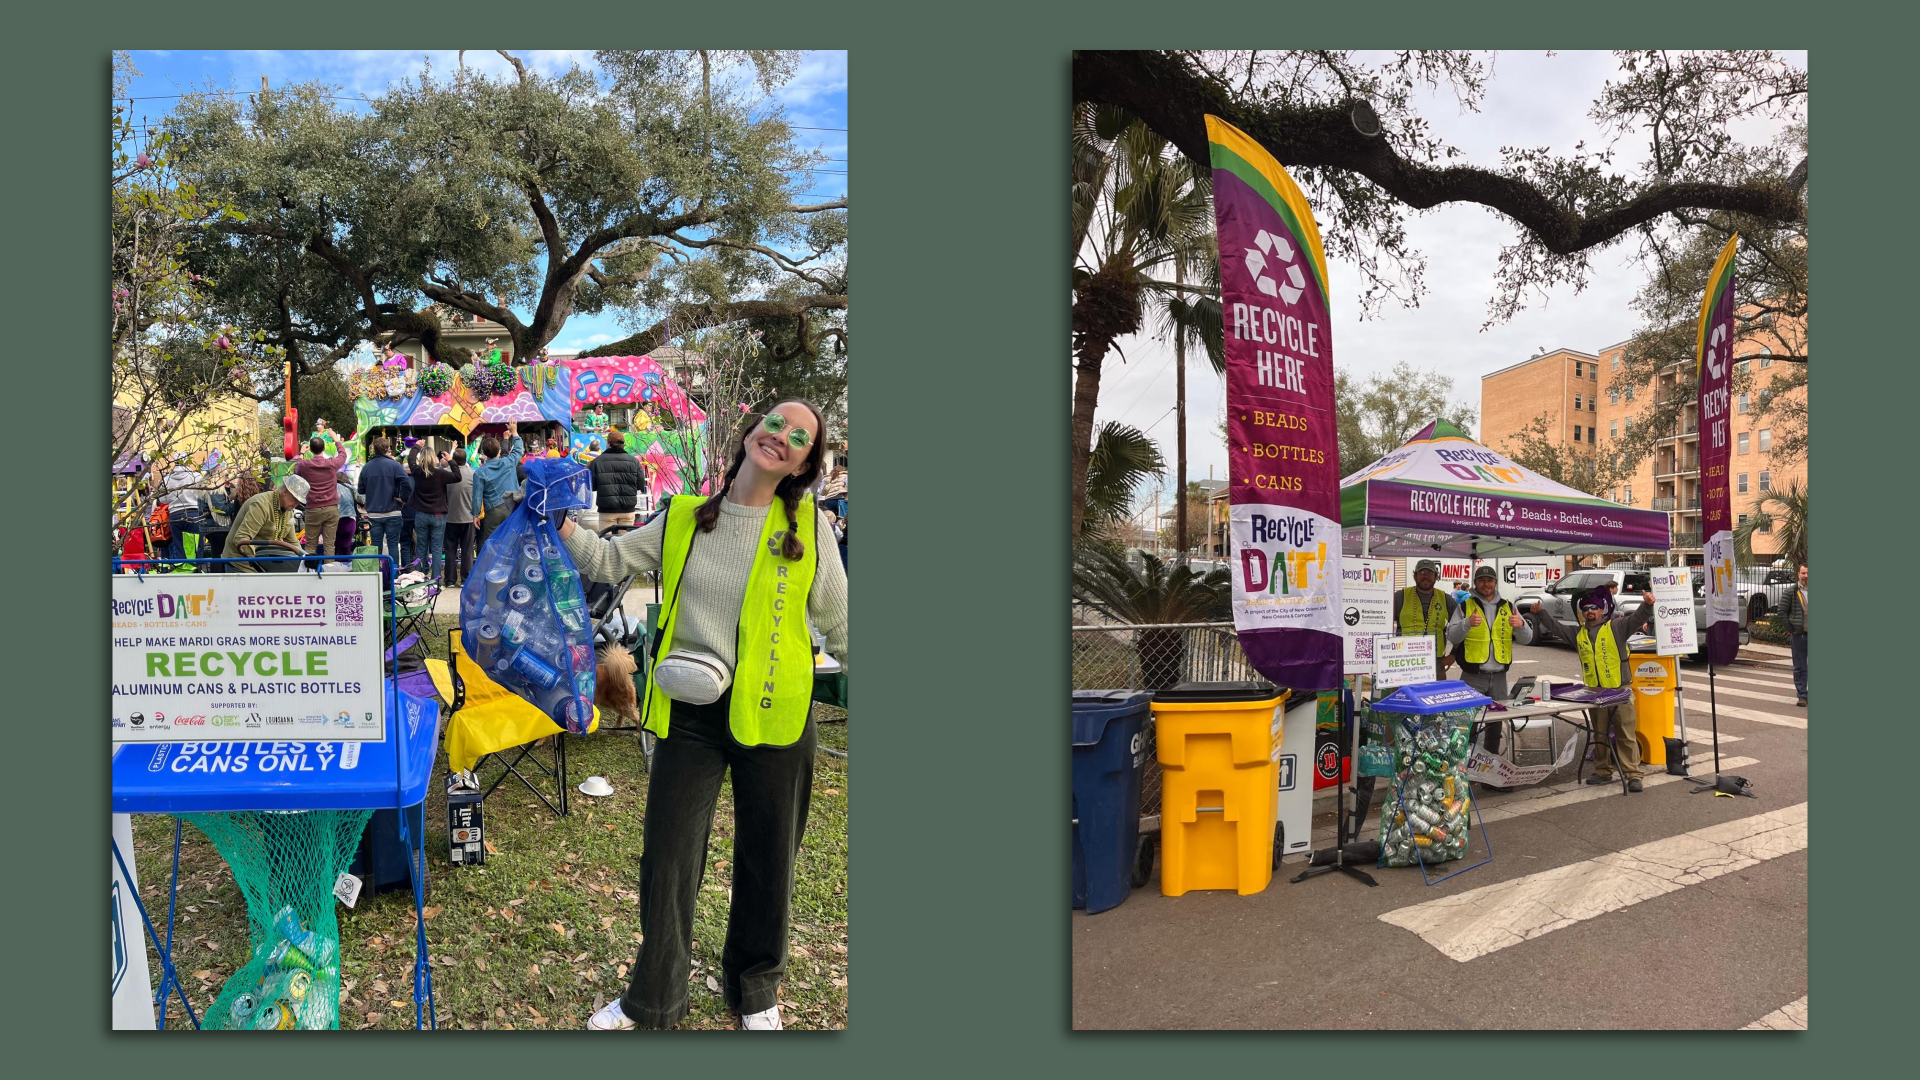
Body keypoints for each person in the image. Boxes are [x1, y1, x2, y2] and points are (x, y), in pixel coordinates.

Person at [578, 400, 848, 1032]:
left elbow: (841, 623)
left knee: (768, 857)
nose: (782, 437)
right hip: (689, 715)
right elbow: (607, 561)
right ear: (750, 432)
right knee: (667, 861)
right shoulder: (680, 518)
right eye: (775, 424)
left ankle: (756, 991)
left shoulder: (810, 528)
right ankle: (653, 998)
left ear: (807, 463)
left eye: (799, 437)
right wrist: (555, 523)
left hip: (777, 714)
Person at [1573, 585, 1658, 792]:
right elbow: (1557, 629)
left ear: (1601, 609)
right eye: (1585, 608)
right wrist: (1539, 615)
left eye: (1593, 607)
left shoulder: (1616, 627)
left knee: (1625, 733)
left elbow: (1635, 620)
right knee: (1599, 733)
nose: (1589, 611)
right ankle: (1603, 771)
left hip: (1620, 689)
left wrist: (1646, 605)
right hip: (1595, 691)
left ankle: (1633, 775)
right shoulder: (1579, 633)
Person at [1447, 565, 1533, 751]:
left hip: (1499, 677)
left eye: (1489, 580)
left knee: (1495, 726)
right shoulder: (1465, 606)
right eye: (1481, 580)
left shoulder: (1508, 606)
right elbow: (1452, 637)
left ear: (1495, 582)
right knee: (1467, 725)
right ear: (1475, 583)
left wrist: (1521, 626)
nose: (1486, 584)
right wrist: (1467, 623)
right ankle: (1466, 768)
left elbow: (1527, 639)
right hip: (1472, 677)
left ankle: (1490, 768)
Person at [222, 474, 309, 573]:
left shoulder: (288, 510)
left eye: (299, 501)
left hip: (263, 565)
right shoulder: (261, 505)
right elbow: (241, 538)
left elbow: (293, 542)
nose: (297, 504)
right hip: (240, 564)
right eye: (295, 499)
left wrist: (306, 559)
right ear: (285, 492)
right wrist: (259, 564)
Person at [357, 437, 414, 572]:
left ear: (373, 450)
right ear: (388, 449)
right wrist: (403, 499)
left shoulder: (367, 467)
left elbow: (360, 490)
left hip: (374, 513)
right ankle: (393, 575)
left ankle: (378, 576)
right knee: (393, 544)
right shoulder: (394, 465)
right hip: (393, 510)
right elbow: (407, 483)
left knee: (376, 546)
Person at [1398, 559, 1458, 678]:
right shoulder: (1401, 596)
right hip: (1404, 662)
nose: (1425, 576)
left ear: (1436, 576)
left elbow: (1461, 629)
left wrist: (1454, 655)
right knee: (1405, 695)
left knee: (1434, 695)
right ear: (1415, 576)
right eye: (1422, 572)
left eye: (1430, 573)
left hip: (1436, 663)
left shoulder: (1446, 599)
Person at [292, 435, 350, 558]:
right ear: (323, 448)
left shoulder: (305, 465)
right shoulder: (331, 463)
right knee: (329, 545)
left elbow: (296, 471)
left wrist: (301, 453)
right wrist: (336, 440)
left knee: (310, 545)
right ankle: (328, 570)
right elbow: (343, 455)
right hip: (331, 508)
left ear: (311, 449)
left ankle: (310, 571)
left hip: (313, 508)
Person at [408, 445, 458, 583]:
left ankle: (419, 578)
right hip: (438, 515)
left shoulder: (417, 472)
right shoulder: (440, 474)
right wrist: (451, 460)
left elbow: (411, 458)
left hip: (421, 514)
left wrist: (417, 446)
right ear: (433, 459)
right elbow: (457, 476)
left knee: (421, 548)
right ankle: (436, 580)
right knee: (436, 549)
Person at [472, 423, 524, 548]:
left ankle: (492, 567)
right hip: (511, 507)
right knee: (512, 542)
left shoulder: (479, 472)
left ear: (483, 453)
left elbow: (477, 496)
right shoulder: (509, 462)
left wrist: (476, 514)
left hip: (493, 511)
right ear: (499, 451)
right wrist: (515, 432)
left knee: (492, 545)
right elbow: (518, 449)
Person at [589, 429, 646, 528]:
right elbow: (640, 485)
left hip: (606, 510)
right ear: (623, 444)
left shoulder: (597, 462)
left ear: (609, 444)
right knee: (624, 541)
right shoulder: (634, 461)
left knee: (606, 541)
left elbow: (592, 486)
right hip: (628, 509)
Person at [159, 454, 208, 565]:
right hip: (193, 513)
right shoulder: (195, 476)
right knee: (196, 546)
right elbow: (203, 493)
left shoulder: (167, 479)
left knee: (179, 547)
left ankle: (182, 571)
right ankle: (196, 570)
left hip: (175, 515)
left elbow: (162, 499)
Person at [443, 447, 476, 587]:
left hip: (449, 517)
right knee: (467, 551)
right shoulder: (473, 474)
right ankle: (465, 579)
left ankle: (450, 580)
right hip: (468, 517)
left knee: (450, 550)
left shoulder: (445, 474)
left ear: (453, 460)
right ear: (466, 459)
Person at [1780, 563, 1808, 707]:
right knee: (1800, 667)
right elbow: (1782, 612)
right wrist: (1791, 628)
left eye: (1808, 573)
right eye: (1803, 573)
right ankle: (1802, 695)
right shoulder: (1791, 591)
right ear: (1798, 574)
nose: (1806, 576)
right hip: (1800, 636)